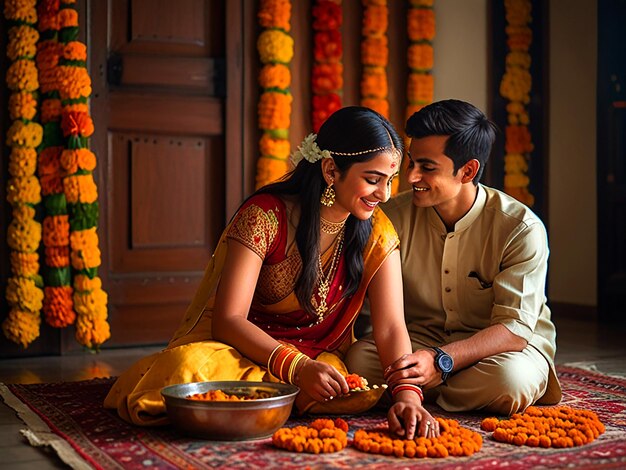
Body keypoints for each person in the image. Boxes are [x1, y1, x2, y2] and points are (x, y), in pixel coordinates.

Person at [104, 106, 439, 440]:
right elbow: (228, 320)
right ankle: (281, 396)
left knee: (354, 389)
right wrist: (297, 369)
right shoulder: (265, 217)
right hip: (241, 353)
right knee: (184, 369)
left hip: (319, 362)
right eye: (373, 180)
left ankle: (265, 400)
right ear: (330, 170)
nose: (384, 195)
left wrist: (409, 396)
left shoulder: (377, 232)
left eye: (390, 181)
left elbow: (392, 326)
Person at [345, 99, 562, 424]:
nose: (412, 176)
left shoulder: (520, 228)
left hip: (497, 352)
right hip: (417, 342)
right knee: (359, 361)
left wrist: (442, 361)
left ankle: (418, 387)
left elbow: (514, 331)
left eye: (427, 167)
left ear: (468, 170)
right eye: (412, 163)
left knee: (510, 380)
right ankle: (425, 386)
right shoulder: (392, 217)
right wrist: (423, 358)